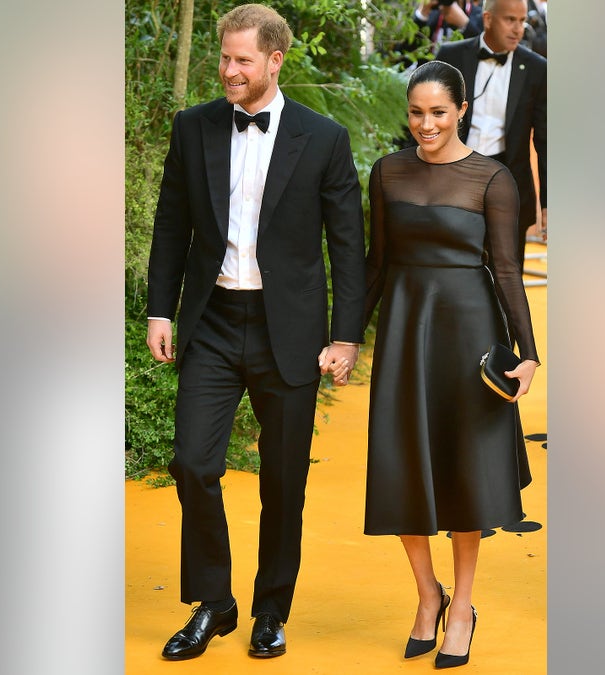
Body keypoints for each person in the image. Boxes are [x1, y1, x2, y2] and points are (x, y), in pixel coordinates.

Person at [145, 3, 365, 661]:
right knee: (193, 461)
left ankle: (271, 609)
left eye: (242, 59)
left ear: (275, 59)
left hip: (289, 331)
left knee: (283, 482)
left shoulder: (323, 138)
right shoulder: (194, 128)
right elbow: (170, 225)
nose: (229, 71)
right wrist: (162, 309)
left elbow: (347, 246)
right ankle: (214, 602)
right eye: (224, 58)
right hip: (212, 321)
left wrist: (345, 335)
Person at [362, 60, 541, 669]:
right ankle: (426, 593)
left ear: (461, 110)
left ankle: (461, 606)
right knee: (399, 462)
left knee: (465, 470)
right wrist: (343, 337)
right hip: (405, 333)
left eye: (438, 112)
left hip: (469, 335)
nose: (426, 124)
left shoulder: (493, 179)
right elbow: (376, 263)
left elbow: (509, 270)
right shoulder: (387, 173)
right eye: (416, 112)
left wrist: (529, 352)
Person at [435, 0, 547, 254]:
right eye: (510, 20)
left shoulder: (537, 69)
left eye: (522, 21)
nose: (518, 29)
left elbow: (546, 141)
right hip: (453, 180)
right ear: (487, 19)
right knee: (453, 272)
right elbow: (427, 119)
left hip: (508, 184)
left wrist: (549, 203)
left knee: (506, 279)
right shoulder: (450, 56)